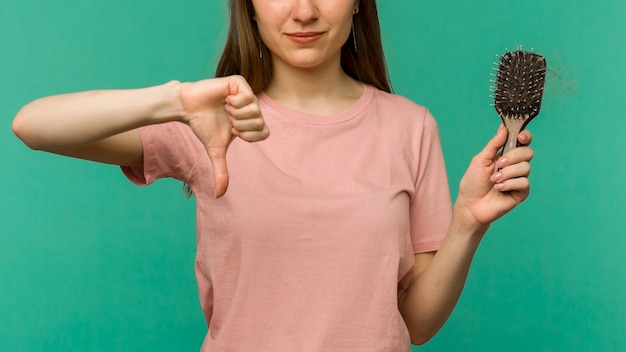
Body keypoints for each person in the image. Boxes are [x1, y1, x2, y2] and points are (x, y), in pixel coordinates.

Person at [12, 0, 534, 351]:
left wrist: (467, 222)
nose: (304, 11)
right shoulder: (210, 118)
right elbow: (33, 126)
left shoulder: (410, 126)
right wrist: (172, 100)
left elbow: (414, 324)